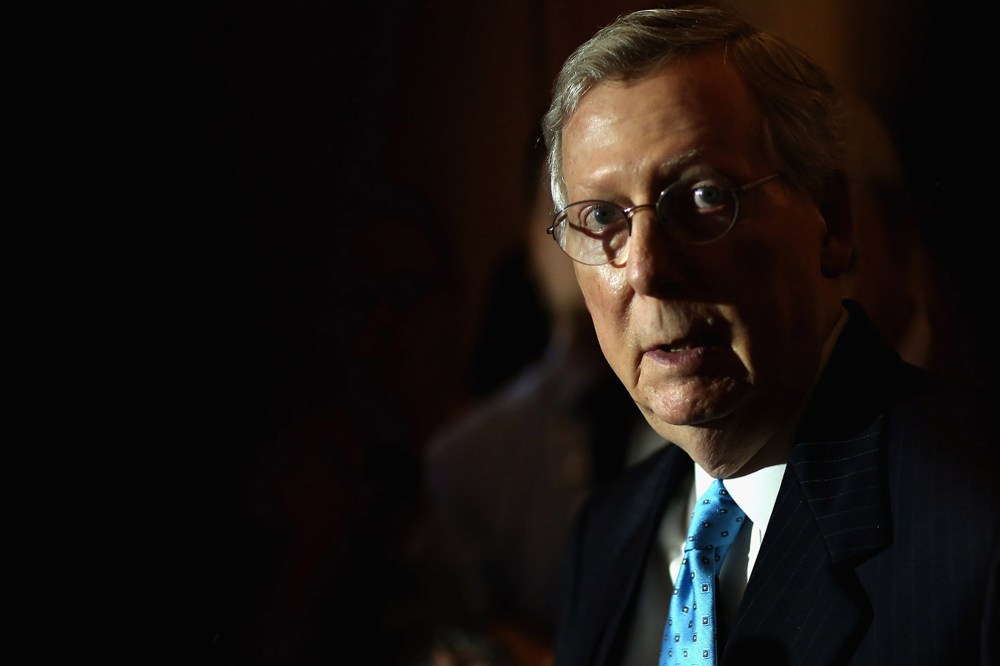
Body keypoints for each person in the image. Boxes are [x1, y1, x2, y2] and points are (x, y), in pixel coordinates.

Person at [539, 5, 998, 665]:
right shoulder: (606, 532)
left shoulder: (972, 521)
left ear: (832, 221)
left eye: (702, 199)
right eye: (602, 217)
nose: (645, 268)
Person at [416, 134, 662, 666]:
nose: (595, 242)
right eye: (572, 210)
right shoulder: (469, 458)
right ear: (531, 236)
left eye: (610, 212)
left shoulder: (710, 421)